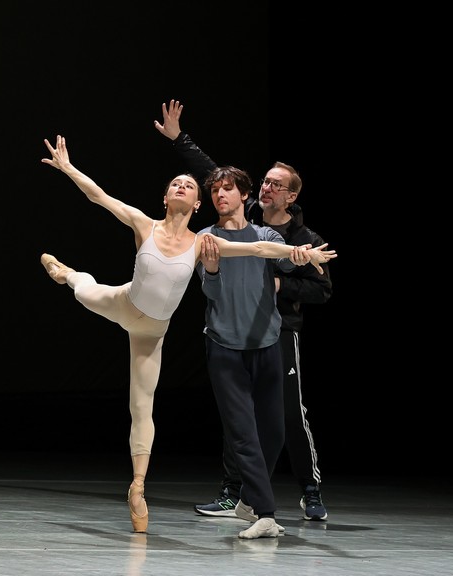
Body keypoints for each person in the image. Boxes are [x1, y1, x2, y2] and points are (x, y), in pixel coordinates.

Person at [37, 135, 335, 535]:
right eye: (175, 183)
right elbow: (100, 197)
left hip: (152, 333)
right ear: (165, 198)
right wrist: (68, 168)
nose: (181, 186)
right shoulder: (144, 224)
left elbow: (259, 251)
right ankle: (68, 274)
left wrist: (305, 253)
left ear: (197, 204)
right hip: (124, 303)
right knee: (84, 290)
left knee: (141, 406)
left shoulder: (202, 242)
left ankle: (137, 486)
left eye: (189, 185)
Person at [155, 99, 333, 521]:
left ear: (291, 195)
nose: (268, 188)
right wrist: (179, 138)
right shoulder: (237, 217)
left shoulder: (298, 235)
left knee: (284, 417)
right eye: (265, 181)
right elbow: (215, 174)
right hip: (230, 333)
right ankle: (236, 494)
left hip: (277, 330)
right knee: (238, 420)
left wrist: (281, 280)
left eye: (277, 185)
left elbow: (316, 285)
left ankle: (308, 490)